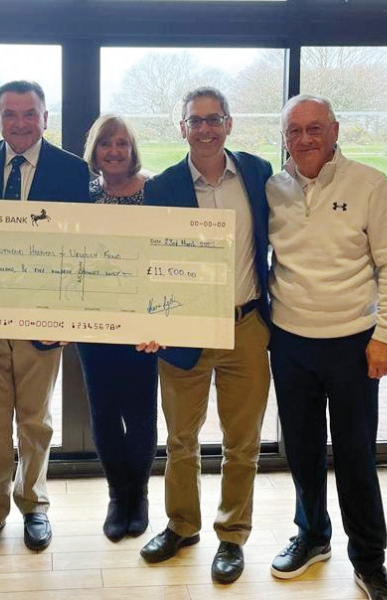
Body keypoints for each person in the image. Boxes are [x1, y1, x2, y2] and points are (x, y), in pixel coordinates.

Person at [267, 93, 387, 600]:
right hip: (288, 342)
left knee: (355, 457)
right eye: (294, 131)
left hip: (354, 345)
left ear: (334, 130)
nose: (304, 139)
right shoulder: (273, 188)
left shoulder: (370, 184)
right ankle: (312, 536)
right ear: (284, 137)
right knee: (302, 452)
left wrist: (386, 335)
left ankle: (370, 561)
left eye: (314, 128)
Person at [0, 80, 90, 559]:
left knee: (35, 421)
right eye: (11, 114)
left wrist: (67, 318)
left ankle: (33, 504)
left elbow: (81, 247)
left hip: (41, 317)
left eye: (31, 113)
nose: (21, 123)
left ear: (46, 118)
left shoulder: (72, 170)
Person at [137, 87, 272, 585]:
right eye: (196, 121)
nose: (206, 129)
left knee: (243, 441)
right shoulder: (163, 185)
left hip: (247, 326)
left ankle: (232, 535)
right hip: (182, 327)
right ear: (182, 130)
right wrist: (149, 321)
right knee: (179, 439)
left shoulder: (259, 175)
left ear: (230, 124)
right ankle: (182, 526)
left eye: (214, 119)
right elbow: (148, 263)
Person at [76, 115, 158, 542]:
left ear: (132, 149)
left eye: (122, 143)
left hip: (144, 322)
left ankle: (140, 496)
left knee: (141, 413)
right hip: (94, 321)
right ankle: (117, 495)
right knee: (104, 412)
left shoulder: (155, 190)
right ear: (94, 150)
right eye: (105, 143)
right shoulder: (82, 194)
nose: (114, 151)